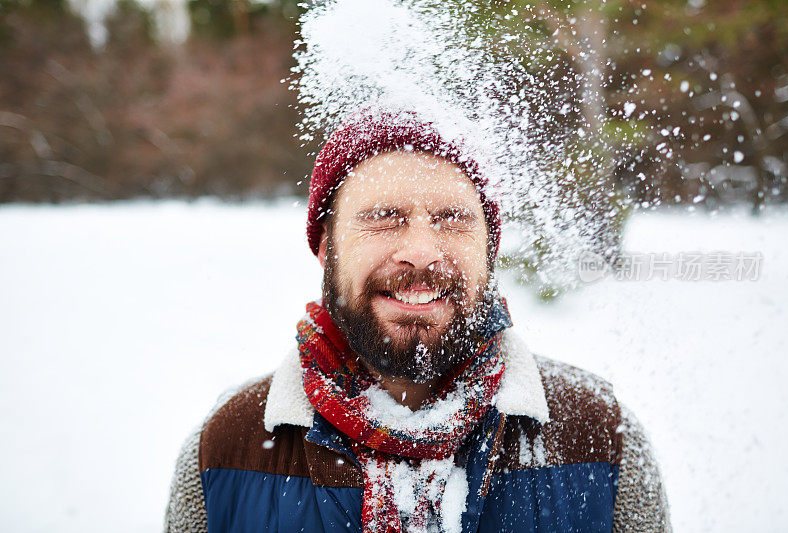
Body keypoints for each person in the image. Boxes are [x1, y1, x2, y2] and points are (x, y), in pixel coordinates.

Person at [164, 109, 671, 533]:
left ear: (488, 251)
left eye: (453, 218)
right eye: (384, 216)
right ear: (325, 247)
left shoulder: (601, 436)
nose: (422, 253)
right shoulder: (227, 449)